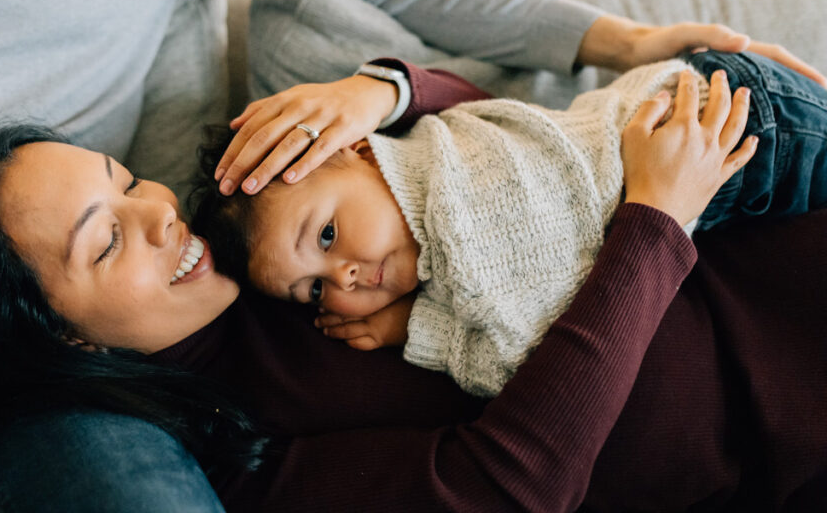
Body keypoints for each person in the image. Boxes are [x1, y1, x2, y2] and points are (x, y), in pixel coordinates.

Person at [0, 0, 824, 513]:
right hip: (785, 419)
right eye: (105, 236)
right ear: (61, 336)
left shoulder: (238, 233)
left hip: (772, 260)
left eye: (126, 180)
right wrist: (652, 224)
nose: (160, 212)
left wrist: (381, 93)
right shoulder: (237, 457)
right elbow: (509, 484)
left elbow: (492, 144)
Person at [190, 49, 827, 397]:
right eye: (316, 289)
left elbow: (527, 363)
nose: (346, 276)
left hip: (749, 136)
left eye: (326, 236)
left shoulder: (462, 219)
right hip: (711, 107)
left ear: (356, 147)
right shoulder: (433, 148)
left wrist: (416, 329)